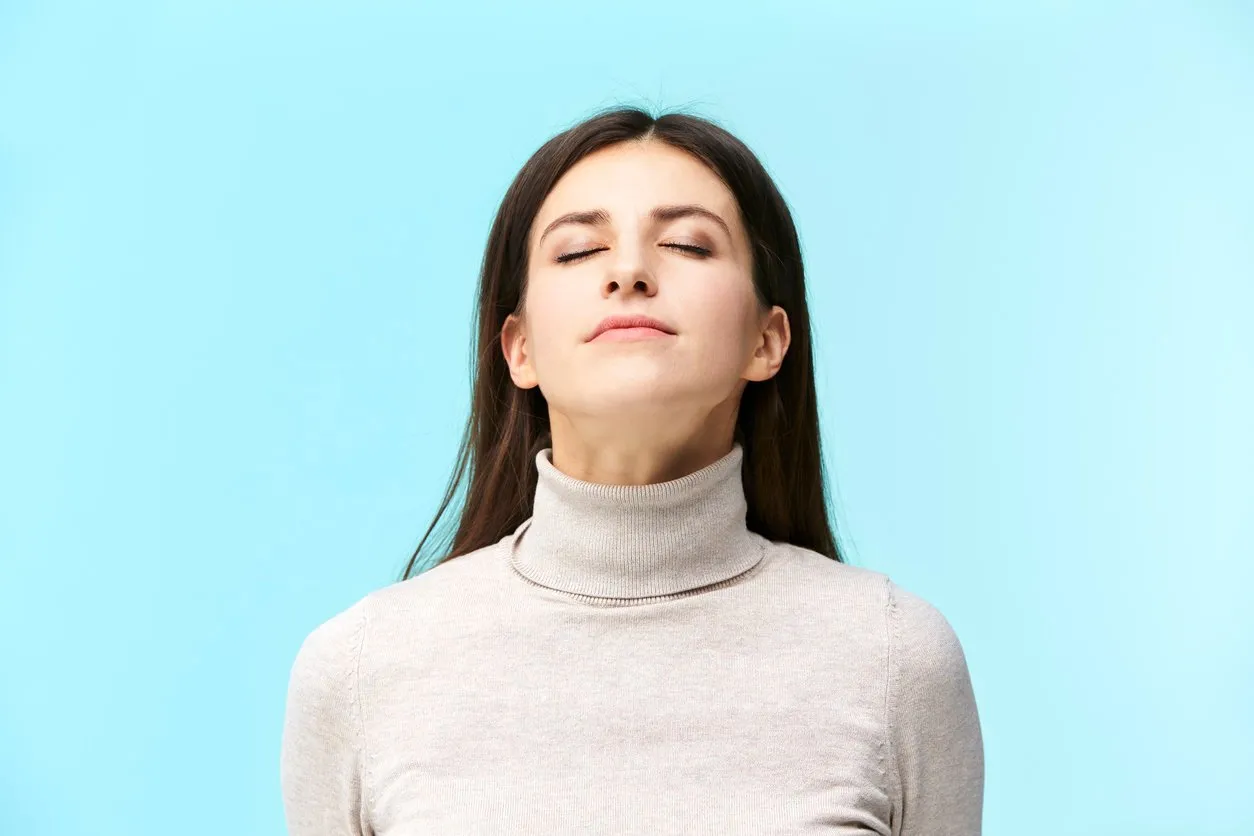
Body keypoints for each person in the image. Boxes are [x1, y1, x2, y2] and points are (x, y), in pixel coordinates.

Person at [280, 105, 984, 835]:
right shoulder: (362, 670)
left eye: (686, 244)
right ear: (518, 350)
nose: (629, 272)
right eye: (579, 251)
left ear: (768, 341)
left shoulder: (897, 658)